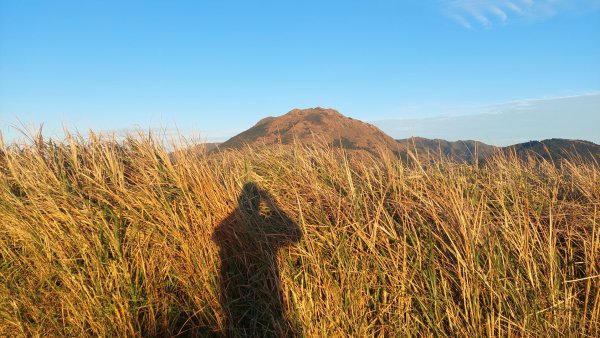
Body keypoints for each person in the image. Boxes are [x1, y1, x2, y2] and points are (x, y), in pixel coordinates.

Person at [213, 182, 302, 337]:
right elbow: (296, 235)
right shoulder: (257, 222)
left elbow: (216, 236)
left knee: (239, 314)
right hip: (259, 281)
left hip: (239, 282)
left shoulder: (229, 222)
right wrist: (271, 204)